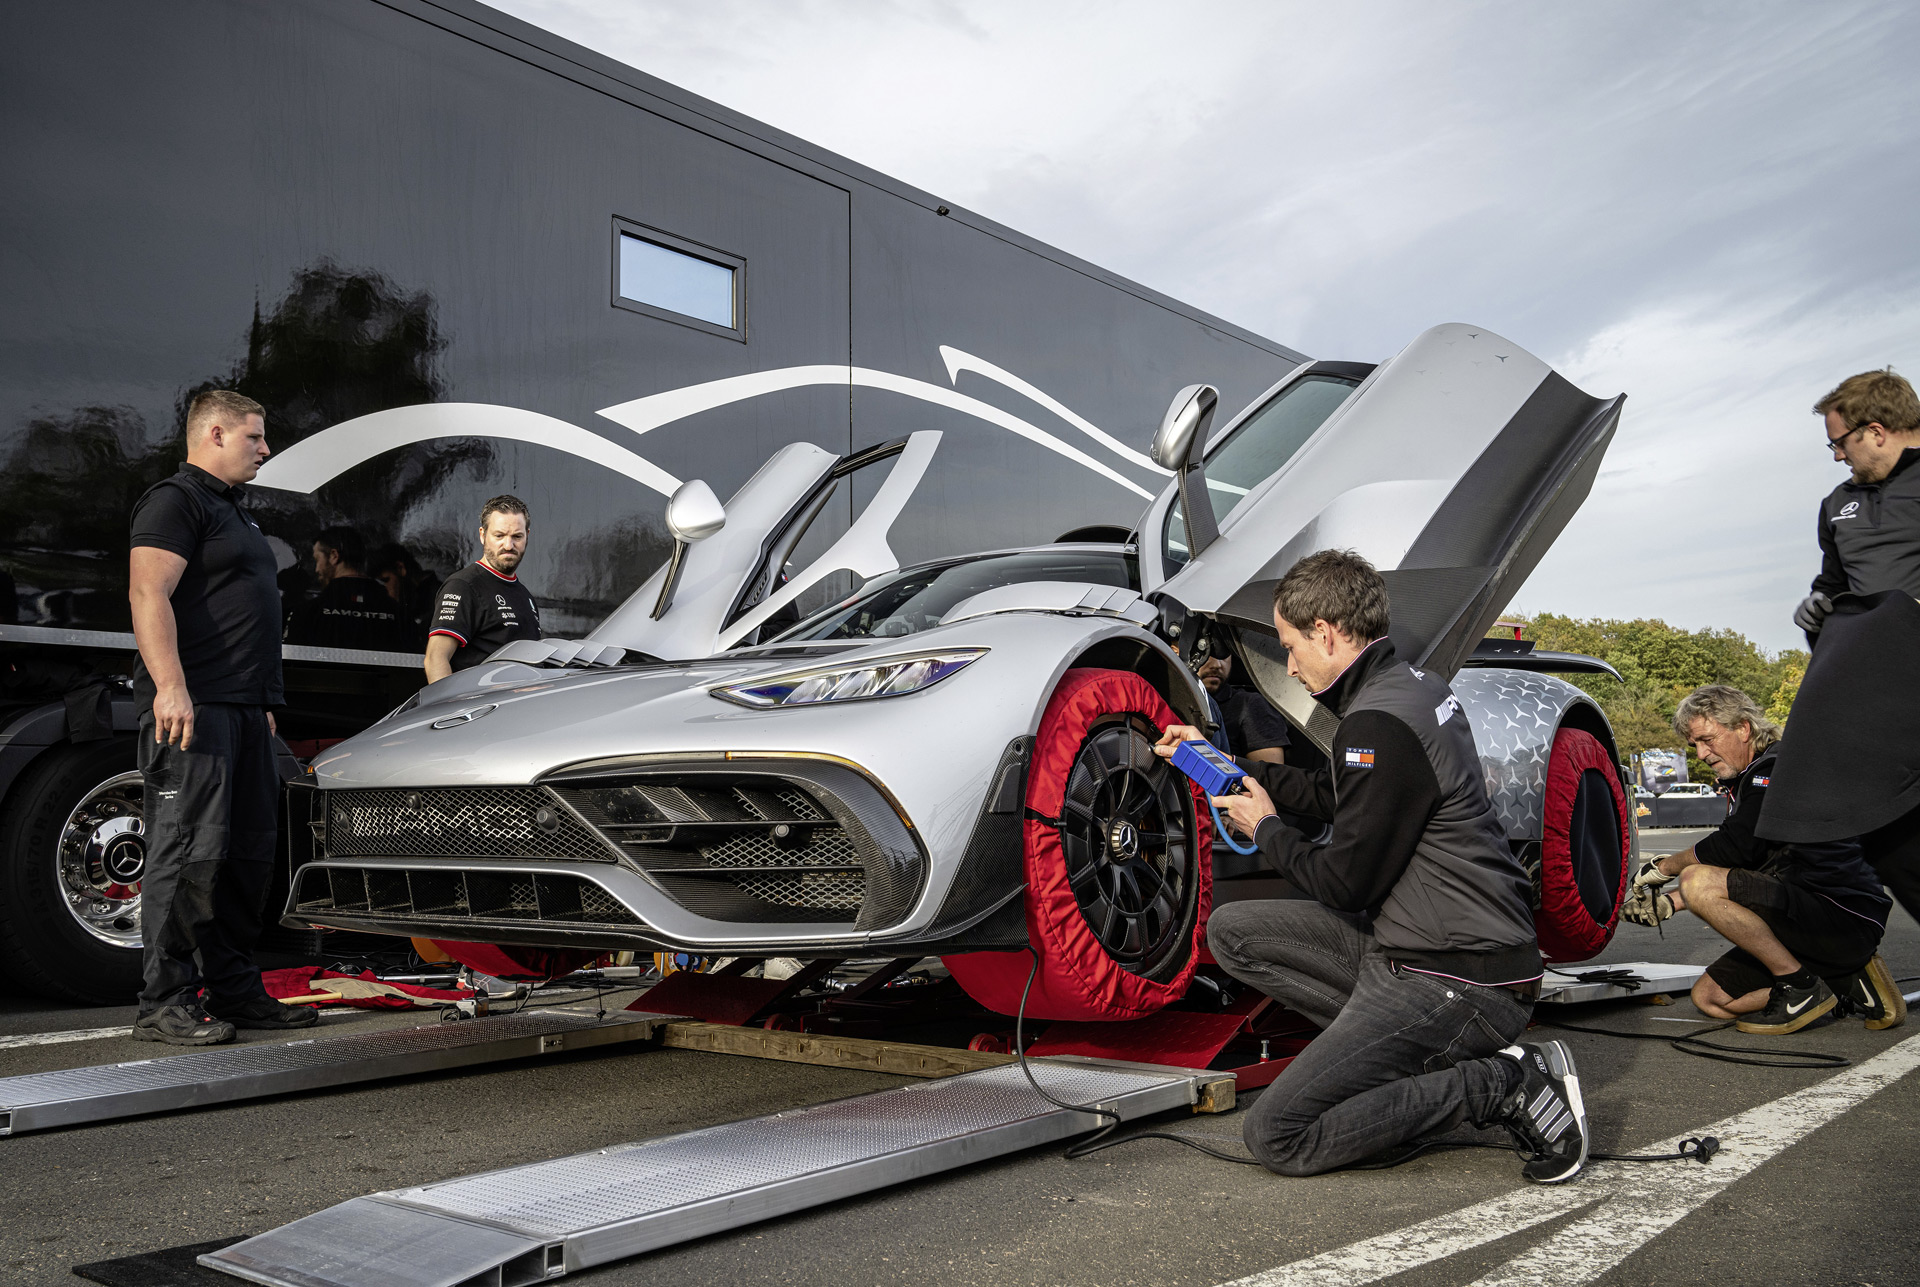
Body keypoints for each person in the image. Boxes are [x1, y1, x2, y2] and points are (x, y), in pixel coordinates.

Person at [1155, 549, 1588, 1182]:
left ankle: (1504, 1083)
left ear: (1324, 634)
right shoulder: (1412, 689)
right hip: (1429, 947)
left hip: (1459, 978)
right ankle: (1405, 1064)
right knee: (1235, 933)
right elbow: (1341, 793)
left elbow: (1343, 883)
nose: (1289, 662)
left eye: (1289, 645)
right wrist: (1226, 761)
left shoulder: (1376, 724)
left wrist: (1265, 828)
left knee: (1279, 1135)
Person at [126, 390, 318, 1045]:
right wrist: (170, 686)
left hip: (244, 713)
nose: (266, 448)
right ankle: (164, 1001)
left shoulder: (236, 512)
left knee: (247, 857)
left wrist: (261, 705)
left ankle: (235, 990)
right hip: (196, 710)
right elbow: (148, 591)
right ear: (215, 432)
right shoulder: (176, 500)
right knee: (188, 855)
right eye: (256, 438)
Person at [1625, 686, 1901, 1032]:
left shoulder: (1779, 770)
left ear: (1743, 728)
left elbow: (1737, 847)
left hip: (1841, 916)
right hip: (1800, 917)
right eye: (1694, 744)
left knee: (1696, 879)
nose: (1700, 753)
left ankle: (1799, 985)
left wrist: (1662, 868)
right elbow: (1758, 868)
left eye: (1707, 739)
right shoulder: (1751, 777)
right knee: (1710, 1000)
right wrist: (1671, 903)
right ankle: (1838, 983)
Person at [1774, 368, 1920, 927]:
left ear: (1876, 431)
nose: (1836, 456)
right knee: (1883, 831)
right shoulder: (1837, 504)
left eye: (1839, 442)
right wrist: (1816, 604)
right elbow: (1833, 584)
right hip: (1874, 692)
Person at [425, 494, 541, 682]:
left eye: (517, 536)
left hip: (520, 708)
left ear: (528, 536)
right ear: (482, 535)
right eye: (499, 535)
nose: (508, 545)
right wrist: (453, 710)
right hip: (483, 709)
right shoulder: (463, 586)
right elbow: (435, 659)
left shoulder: (526, 596)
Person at [282, 526, 409, 650]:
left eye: (317, 559)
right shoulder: (401, 616)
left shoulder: (308, 613)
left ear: (334, 556)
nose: (317, 569)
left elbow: (292, 663)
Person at [1197, 650, 1289, 764]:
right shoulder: (1171, 701)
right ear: (1176, 651)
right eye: (1207, 654)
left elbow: (1270, 776)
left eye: (1224, 656)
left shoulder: (1250, 704)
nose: (1217, 665)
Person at [370, 541, 440, 647]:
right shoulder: (416, 601)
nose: (384, 591)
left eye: (385, 580)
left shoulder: (437, 601)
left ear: (400, 568)